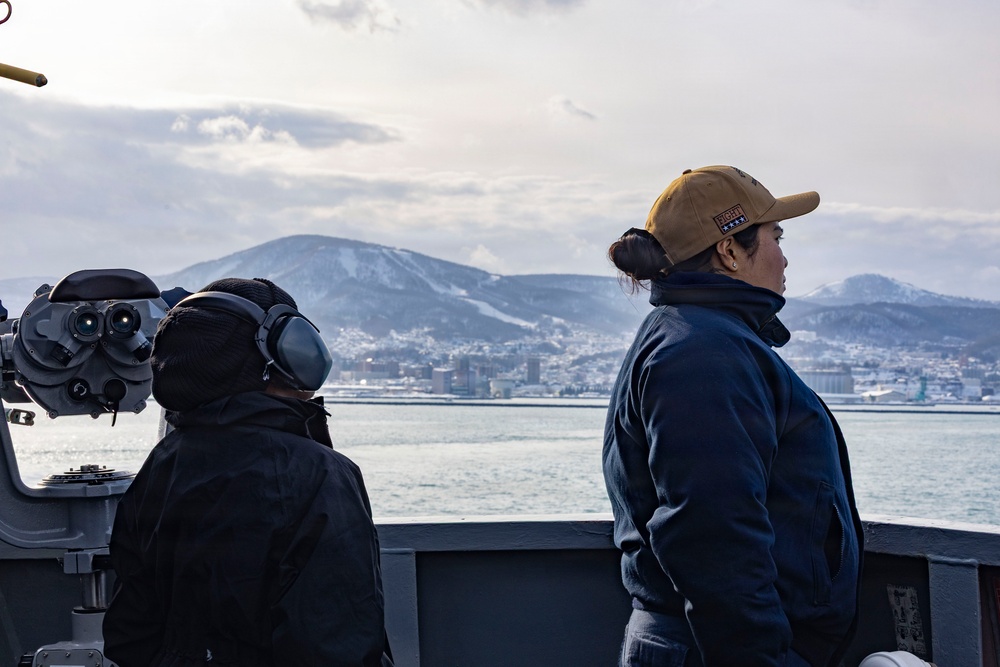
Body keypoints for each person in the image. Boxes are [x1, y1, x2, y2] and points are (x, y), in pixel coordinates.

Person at [603, 166, 863, 667]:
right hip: (720, 650)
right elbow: (712, 536)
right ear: (729, 250)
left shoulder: (693, 335)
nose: (784, 256)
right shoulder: (702, 353)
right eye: (775, 237)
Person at [103, 277, 393, 667]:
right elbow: (337, 645)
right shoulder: (320, 474)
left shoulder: (161, 465)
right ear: (279, 352)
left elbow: (129, 636)